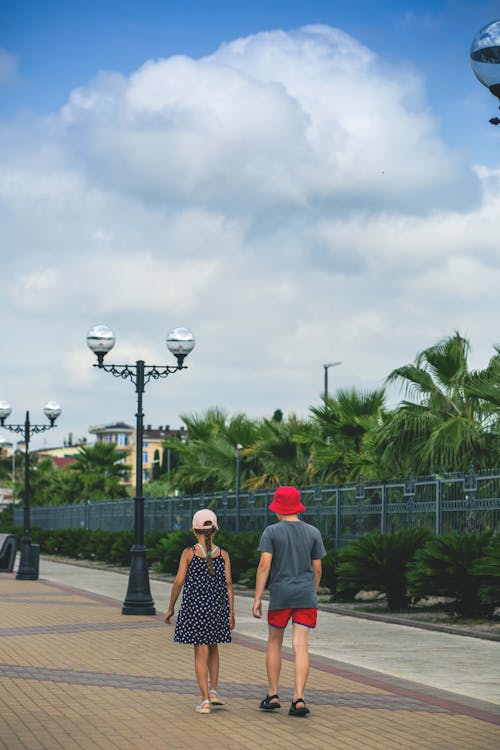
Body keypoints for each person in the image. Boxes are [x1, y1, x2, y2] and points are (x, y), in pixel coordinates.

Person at [252, 486, 326, 718]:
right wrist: (311, 591)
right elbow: (318, 568)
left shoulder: (271, 532)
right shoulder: (313, 532)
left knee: (274, 643)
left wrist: (257, 597)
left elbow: (264, 565)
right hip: (305, 596)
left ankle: (273, 694)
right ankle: (299, 698)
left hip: (280, 595)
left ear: (278, 508)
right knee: (300, 646)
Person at [164, 508, 235, 714]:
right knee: (214, 648)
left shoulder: (189, 553)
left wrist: (170, 608)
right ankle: (213, 691)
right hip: (217, 610)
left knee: (200, 654)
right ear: (215, 531)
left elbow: (178, 582)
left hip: (195, 611)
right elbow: (229, 584)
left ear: (194, 531)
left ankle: (204, 701)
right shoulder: (223, 555)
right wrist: (231, 612)